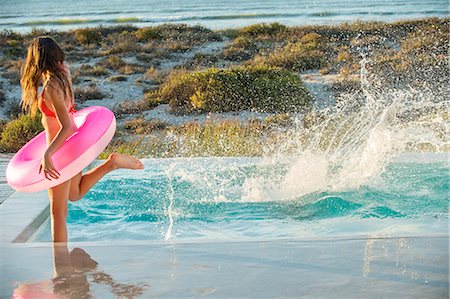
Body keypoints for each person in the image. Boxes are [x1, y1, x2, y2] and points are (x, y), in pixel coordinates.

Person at [20, 36, 144, 242]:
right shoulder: (63, 76)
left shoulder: (51, 87)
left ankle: (61, 269)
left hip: (60, 152)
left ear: (37, 61)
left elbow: (66, 126)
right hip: (73, 148)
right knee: (74, 193)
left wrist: (48, 154)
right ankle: (111, 164)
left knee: (57, 215)